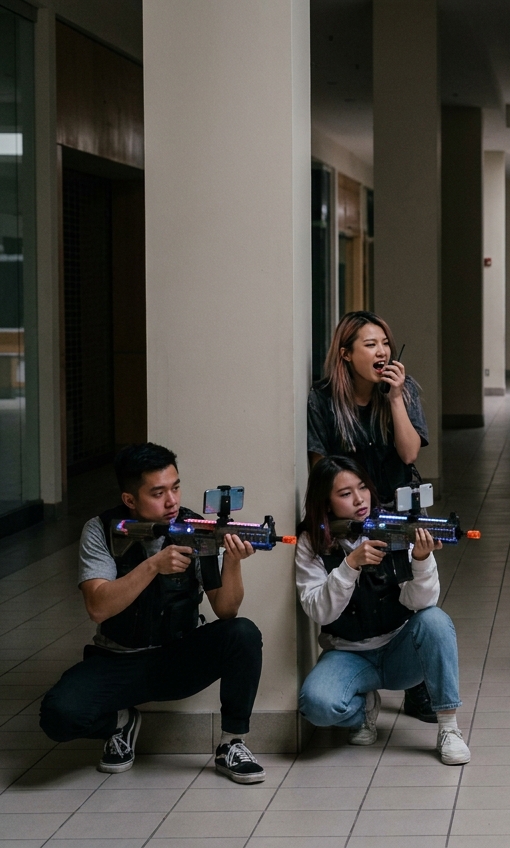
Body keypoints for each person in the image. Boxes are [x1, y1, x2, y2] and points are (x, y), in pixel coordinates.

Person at [39, 443, 266, 783]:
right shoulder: (101, 530)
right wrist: (153, 566)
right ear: (130, 500)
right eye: (158, 493)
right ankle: (120, 722)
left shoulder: (197, 528)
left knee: (244, 633)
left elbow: (227, 609)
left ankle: (232, 743)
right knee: (57, 715)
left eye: (175, 487)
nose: (172, 500)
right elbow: (98, 607)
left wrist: (232, 560)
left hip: (176, 658)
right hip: (115, 660)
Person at [295, 456, 469, 765]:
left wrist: (421, 558)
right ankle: (364, 708)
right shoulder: (311, 541)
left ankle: (449, 729)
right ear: (326, 501)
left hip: (399, 650)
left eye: (362, 487)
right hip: (348, 654)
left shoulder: (391, 526)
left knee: (435, 621)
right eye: (345, 493)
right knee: (316, 705)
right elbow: (320, 612)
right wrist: (350, 566)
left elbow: (421, 603)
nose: (360, 499)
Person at [307, 310, 436, 722]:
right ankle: (356, 677)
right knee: (357, 587)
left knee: (410, 585)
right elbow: (319, 466)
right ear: (346, 354)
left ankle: (418, 685)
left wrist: (395, 397)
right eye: (370, 344)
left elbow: (410, 453)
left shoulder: (404, 389)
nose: (381, 351)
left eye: (384, 343)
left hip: (397, 507)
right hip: (349, 512)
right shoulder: (323, 398)